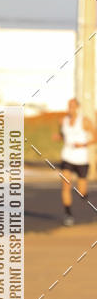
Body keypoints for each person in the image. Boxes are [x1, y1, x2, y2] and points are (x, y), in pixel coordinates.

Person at [58, 97, 95, 226]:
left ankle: (84, 193)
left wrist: (83, 144)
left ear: (77, 108)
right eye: (69, 106)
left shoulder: (84, 121)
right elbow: (63, 135)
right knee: (65, 186)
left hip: (81, 159)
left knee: (81, 191)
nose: (70, 109)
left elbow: (95, 137)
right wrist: (58, 137)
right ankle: (68, 214)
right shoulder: (63, 121)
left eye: (72, 106)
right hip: (67, 157)